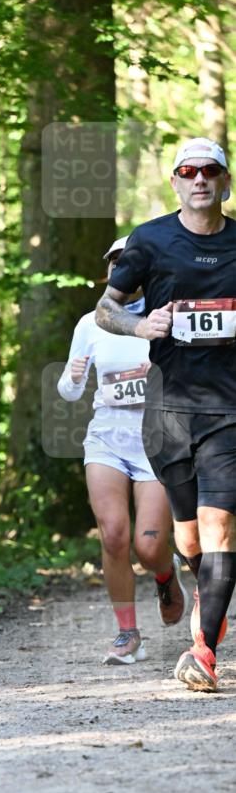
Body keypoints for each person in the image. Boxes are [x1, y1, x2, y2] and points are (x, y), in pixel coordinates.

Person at [96, 137, 235, 692]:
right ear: (174, 182)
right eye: (187, 171)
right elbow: (107, 308)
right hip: (169, 411)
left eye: (210, 171)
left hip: (230, 408)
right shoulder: (150, 241)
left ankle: (203, 652)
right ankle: (197, 587)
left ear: (224, 182)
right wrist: (139, 326)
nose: (199, 179)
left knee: (219, 525)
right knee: (190, 540)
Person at [58, 237, 186, 665]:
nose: (122, 269)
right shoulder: (90, 323)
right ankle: (127, 634)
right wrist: (74, 377)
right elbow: (70, 392)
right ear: (109, 271)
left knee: (149, 546)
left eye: (130, 262)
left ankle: (166, 576)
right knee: (112, 533)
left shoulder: (168, 317)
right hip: (106, 438)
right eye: (115, 262)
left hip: (155, 438)